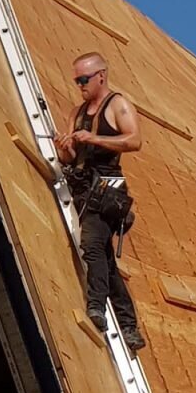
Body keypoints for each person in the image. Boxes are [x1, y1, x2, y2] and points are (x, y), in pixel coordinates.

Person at [53, 52, 146, 350]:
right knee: (104, 257)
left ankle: (96, 307)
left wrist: (94, 139)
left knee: (92, 243)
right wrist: (64, 148)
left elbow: (134, 140)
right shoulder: (76, 113)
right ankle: (129, 327)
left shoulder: (117, 104)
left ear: (101, 76)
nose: (79, 85)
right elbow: (68, 157)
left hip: (109, 182)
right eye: (76, 80)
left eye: (83, 79)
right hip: (83, 183)